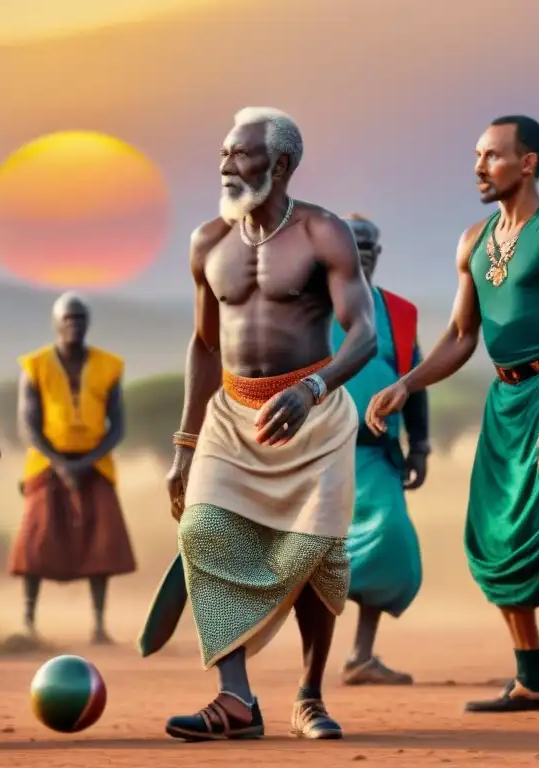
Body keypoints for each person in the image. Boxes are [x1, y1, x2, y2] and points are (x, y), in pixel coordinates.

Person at [367, 115, 539, 718]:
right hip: (506, 404)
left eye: (493, 156)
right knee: (496, 537)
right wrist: (406, 384)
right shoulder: (473, 240)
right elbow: (459, 336)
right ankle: (533, 679)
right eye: (477, 156)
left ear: (527, 163)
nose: (479, 166)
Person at [147, 106, 376, 742]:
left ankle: (309, 694)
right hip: (231, 416)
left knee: (318, 558)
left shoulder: (322, 233)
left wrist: (312, 387)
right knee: (202, 530)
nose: (225, 165)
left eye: (240, 154)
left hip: (314, 417)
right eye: (223, 152)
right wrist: (185, 444)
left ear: (279, 164)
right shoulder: (207, 242)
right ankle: (235, 698)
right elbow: (202, 345)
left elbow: (364, 334)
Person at [331, 213, 428, 686]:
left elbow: (417, 381)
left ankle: (361, 655)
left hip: (378, 455)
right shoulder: (310, 308)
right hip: (319, 458)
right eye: (352, 244)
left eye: (369, 246)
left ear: (378, 255)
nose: (362, 252)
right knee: (316, 554)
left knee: (389, 541)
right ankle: (311, 664)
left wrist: (422, 446)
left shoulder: (398, 313)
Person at [10, 291, 136, 644]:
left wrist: (85, 462)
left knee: (102, 543)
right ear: (57, 323)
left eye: (80, 318)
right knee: (35, 540)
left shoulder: (108, 365)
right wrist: (61, 463)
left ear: (88, 323)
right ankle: (27, 621)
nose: (74, 325)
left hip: (95, 464)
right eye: (68, 318)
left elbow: (119, 425)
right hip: (48, 463)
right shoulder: (35, 366)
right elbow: (28, 426)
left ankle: (99, 625)